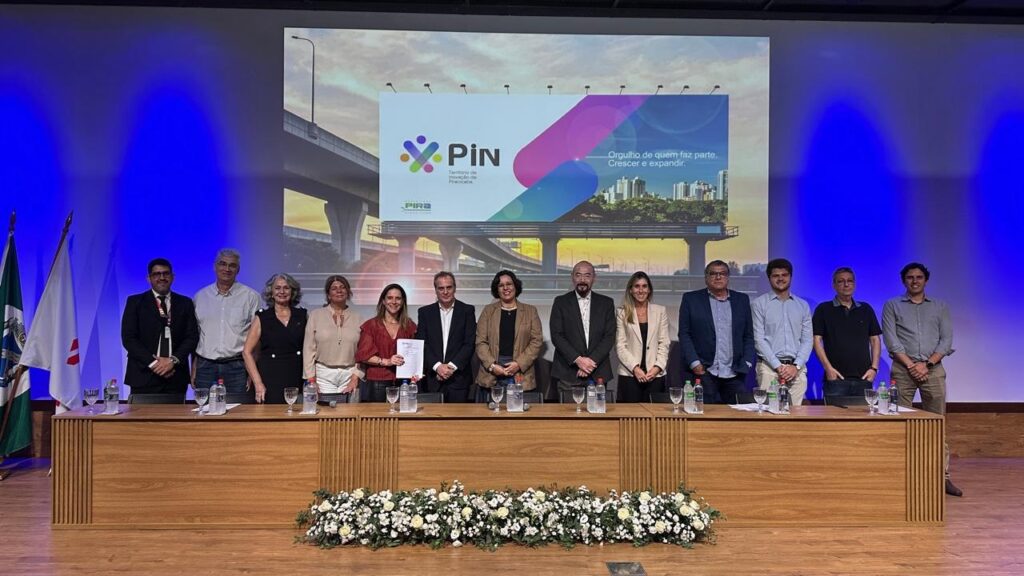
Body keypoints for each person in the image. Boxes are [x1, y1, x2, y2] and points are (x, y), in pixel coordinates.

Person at [882, 262, 959, 496]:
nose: (914, 281)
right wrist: (911, 365)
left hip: (932, 370)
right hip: (902, 370)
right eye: (910, 277)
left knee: (937, 423)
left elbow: (946, 341)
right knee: (900, 424)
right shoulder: (892, 305)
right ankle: (903, 476)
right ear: (903, 281)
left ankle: (942, 477)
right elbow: (892, 341)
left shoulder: (940, 306)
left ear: (926, 280)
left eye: (918, 277)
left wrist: (927, 364)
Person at [678, 260, 755, 404]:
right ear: (706, 277)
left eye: (722, 273)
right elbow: (684, 334)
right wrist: (694, 363)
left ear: (728, 277)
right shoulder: (691, 299)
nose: (718, 277)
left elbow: (748, 336)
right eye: (713, 273)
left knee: (737, 415)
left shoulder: (742, 300)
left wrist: (747, 363)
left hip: (735, 372)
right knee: (703, 415)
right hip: (703, 371)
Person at [120, 258, 199, 399]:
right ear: (149, 278)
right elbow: (129, 339)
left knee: (176, 414)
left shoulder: (185, 303)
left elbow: (192, 337)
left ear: (172, 277)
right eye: (157, 274)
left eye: (166, 273)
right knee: (142, 414)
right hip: (143, 375)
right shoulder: (135, 302)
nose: (162, 277)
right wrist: (155, 364)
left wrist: (172, 361)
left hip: (175, 375)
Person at [192, 249, 260, 394]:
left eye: (232, 265)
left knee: (239, 408)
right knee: (203, 407)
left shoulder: (251, 297)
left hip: (238, 366)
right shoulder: (200, 297)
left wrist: (252, 372)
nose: (227, 269)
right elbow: (195, 336)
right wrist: (194, 367)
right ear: (215, 266)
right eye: (222, 264)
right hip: (205, 366)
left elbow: (257, 339)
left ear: (238, 270)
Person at [550, 261, 617, 398]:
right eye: (578, 275)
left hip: (598, 371)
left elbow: (609, 336)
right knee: (568, 411)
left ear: (594, 278)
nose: (582, 280)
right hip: (568, 373)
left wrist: (589, 362)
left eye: (587, 276)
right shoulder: (560, 302)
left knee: (597, 411)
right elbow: (557, 335)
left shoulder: (606, 303)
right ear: (572, 277)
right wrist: (578, 360)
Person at [812, 267, 882, 398]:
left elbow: (875, 339)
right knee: (833, 412)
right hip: (835, 379)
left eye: (850, 281)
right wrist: (828, 368)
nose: (846, 284)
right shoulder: (823, 309)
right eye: (841, 281)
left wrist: (874, 369)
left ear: (854, 284)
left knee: (864, 412)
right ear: (834, 285)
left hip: (863, 378)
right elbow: (816, 340)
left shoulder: (865, 309)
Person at [475, 270, 543, 403]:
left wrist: (519, 364)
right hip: (492, 372)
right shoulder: (488, 311)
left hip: (520, 372)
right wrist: (492, 366)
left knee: (518, 414)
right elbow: (480, 341)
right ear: (497, 289)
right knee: (490, 414)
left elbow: (536, 341)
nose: (505, 288)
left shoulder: (530, 311)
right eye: (501, 285)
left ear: (515, 286)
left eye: (509, 284)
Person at [752, 258, 813, 406]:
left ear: (790, 277)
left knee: (796, 414)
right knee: (769, 413)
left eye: (784, 275)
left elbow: (807, 340)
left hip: (796, 369)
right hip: (769, 368)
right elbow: (759, 340)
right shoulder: (759, 304)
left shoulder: (802, 306)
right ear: (769, 278)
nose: (780, 279)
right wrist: (778, 367)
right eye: (776, 275)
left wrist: (796, 366)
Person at [242, 273, 306, 404]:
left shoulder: (302, 315)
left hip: (296, 375)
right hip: (270, 377)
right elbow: (246, 352)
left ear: (292, 292)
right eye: (277, 288)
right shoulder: (262, 317)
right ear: (271, 292)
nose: (282, 291)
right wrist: (257, 382)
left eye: (286, 288)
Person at [415, 271, 477, 403]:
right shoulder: (425, 312)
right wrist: (438, 367)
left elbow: (469, 343)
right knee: (432, 417)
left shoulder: (467, 310)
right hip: (432, 378)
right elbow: (422, 343)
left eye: (449, 287)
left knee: (458, 416)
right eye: (441, 288)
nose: (445, 292)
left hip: (459, 379)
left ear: (455, 288)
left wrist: (450, 368)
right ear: (435, 290)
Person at [303, 275, 363, 403]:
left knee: (350, 414)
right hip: (323, 374)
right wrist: (311, 379)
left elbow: (363, 352)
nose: (339, 290)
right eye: (334, 288)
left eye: (342, 287)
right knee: (326, 413)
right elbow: (308, 350)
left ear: (348, 292)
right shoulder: (315, 315)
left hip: (350, 374)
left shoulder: (358, 318)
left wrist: (355, 377)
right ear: (328, 294)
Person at [615, 271, 670, 403]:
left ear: (649, 290)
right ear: (630, 290)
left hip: (655, 375)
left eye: (644, 286)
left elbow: (664, 343)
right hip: (630, 375)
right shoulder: (622, 312)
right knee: (630, 414)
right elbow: (620, 346)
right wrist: (635, 369)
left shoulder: (660, 311)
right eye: (637, 286)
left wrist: (657, 368)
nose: (641, 290)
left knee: (655, 414)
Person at [356, 284, 417, 402]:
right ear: (383, 301)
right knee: (378, 414)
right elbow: (363, 355)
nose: (394, 302)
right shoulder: (371, 325)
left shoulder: (409, 326)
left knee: (403, 413)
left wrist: (416, 369)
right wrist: (387, 361)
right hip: (377, 382)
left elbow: (416, 353)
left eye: (398, 298)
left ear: (403, 302)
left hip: (403, 382)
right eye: (390, 298)